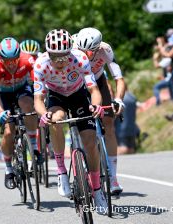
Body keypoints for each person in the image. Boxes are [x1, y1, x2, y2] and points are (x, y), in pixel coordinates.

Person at [34, 28, 107, 214]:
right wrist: (44, 114)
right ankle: (61, 172)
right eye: (55, 56)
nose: (60, 61)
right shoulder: (41, 64)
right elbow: (38, 100)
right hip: (56, 97)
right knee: (56, 120)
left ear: (70, 51)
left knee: (90, 141)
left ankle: (97, 190)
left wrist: (96, 106)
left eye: (63, 56)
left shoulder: (80, 59)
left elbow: (94, 90)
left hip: (78, 95)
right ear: (48, 52)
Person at [76, 27, 126, 195]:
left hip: (98, 81)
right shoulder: (71, 48)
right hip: (77, 85)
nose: (87, 56)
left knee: (109, 124)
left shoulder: (105, 49)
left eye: (91, 52)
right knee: (80, 124)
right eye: (84, 51)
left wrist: (118, 99)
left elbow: (119, 78)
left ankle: (113, 177)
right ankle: (81, 159)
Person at [0, 37, 40, 190]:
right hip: (3, 96)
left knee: (28, 106)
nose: (11, 64)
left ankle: (34, 147)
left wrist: (39, 103)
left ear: (19, 56)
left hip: (22, 90)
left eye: (14, 60)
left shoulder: (28, 60)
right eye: (7, 60)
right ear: (1, 57)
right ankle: (9, 169)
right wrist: (0, 111)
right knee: (9, 132)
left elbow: (38, 83)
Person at [115, 88, 138, 154]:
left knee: (122, 148)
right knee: (131, 149)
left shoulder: (118, 99)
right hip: (132, 128)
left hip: (120, 128)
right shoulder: (132, 97)